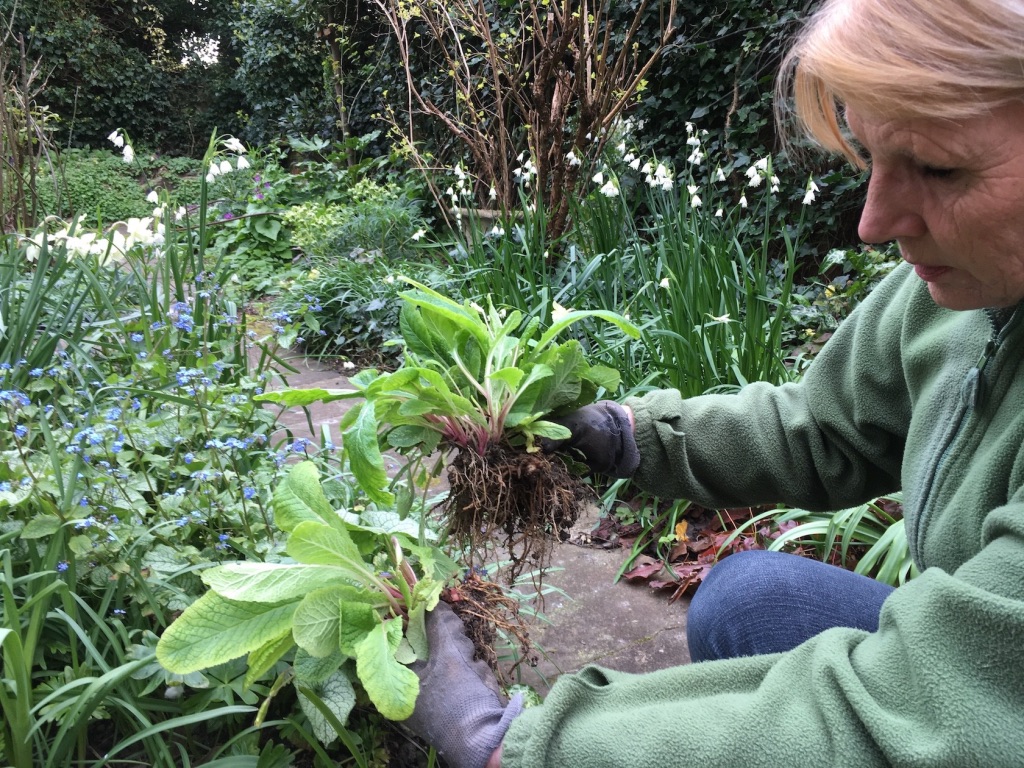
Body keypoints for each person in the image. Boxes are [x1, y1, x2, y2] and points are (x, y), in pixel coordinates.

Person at [405, 0, 1024, 764]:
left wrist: (511, 748)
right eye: (869, 158)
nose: (873, 221)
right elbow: (825, 428)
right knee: (748, 596)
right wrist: (629, 437)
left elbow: (913, 711)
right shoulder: (966, 293)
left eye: (936, 166)